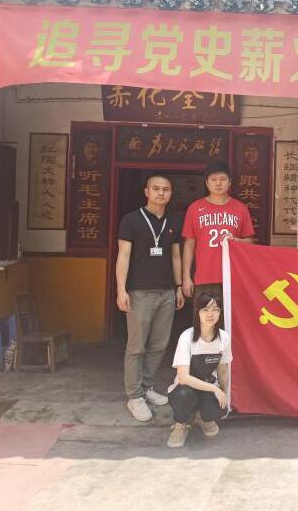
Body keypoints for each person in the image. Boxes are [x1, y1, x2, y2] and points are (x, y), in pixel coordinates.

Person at [116, 173, 185, 422]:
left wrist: (178, 286)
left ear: (171, 193)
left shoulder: (173, 222)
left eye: (165, 189)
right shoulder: (131, 220)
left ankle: (146, 388)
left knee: (159, 345)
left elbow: (176, 256)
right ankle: (134, 396)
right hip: (139, 292)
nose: (160, 193)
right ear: (146, 192)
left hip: (166, 292)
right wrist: (121, 289)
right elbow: (123, 256)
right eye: (156, 188)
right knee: (136, 346)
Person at [182, 161, 255, 326]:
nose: (218, 183)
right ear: (207, 183)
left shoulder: (240, 208)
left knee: (232, 324)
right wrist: (186, 277)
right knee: (205, 325)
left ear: (230, 182)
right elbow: (189, 244)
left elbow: (250, 242)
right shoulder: (195, 208)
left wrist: (236, 240)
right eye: (214, 180)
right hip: (204, 277)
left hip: (233, 278)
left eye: (222, 179)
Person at [167, 292, 231, 448]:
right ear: (198, 312)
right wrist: (215, 390)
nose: (210, 314)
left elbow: (223, 370)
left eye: (215, 309)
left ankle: (203, 418)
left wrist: (223, 393)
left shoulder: (223, 338)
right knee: (183, 395)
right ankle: (180, 425)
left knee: (219, 409)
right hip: (186, 388)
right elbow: (184, 377)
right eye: (205, 310)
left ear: (220, 313)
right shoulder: (186, 337)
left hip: (208, 386)